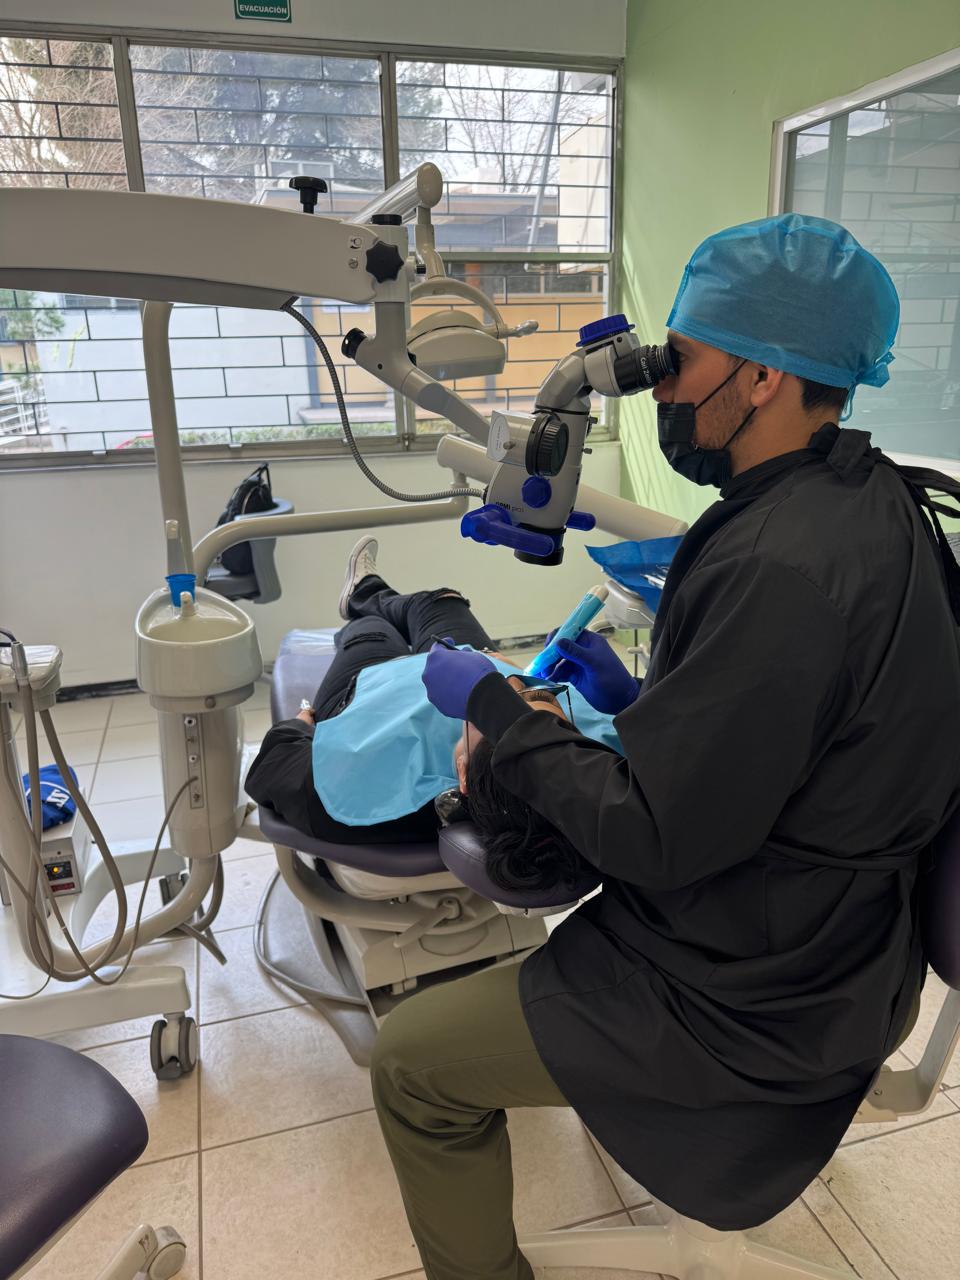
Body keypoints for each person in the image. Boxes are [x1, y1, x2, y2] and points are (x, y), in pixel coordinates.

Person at [369, 213, 960, 1280]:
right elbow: (795, 737)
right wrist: (641, 698)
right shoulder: (871, 497)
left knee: (411, 1061)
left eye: (679, 360)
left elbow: (653, 840)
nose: (662, 386)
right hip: (839, 947)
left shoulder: (780, 565)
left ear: (764, 377)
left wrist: (498, 708)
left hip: (750, 993)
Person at [244, 537, 622, 892]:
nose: (512, 681)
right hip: (468, 663)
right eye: (537, 693)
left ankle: (365, 599)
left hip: (374, 690)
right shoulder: (606, 766)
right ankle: (369, 591)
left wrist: (301, 723)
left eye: (500, 704)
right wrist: (628, 695)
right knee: (443, 601)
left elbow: (273, 765)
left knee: (372, 629)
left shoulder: (356, 798)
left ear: (462, 773)